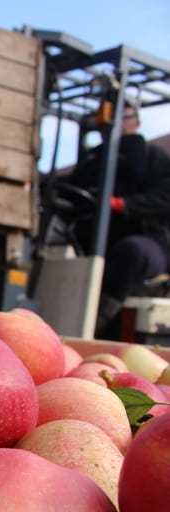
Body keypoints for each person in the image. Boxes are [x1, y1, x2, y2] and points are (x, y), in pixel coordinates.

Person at [67, 99, 170, 338]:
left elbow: (165, 198)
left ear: (137, 121)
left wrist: (123, 204)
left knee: (130, 252)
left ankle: (95, 326)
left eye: (124, 116)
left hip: (151, 243)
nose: (115, 122)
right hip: (97, 242)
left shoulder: (154, 158)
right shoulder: (93, 161)